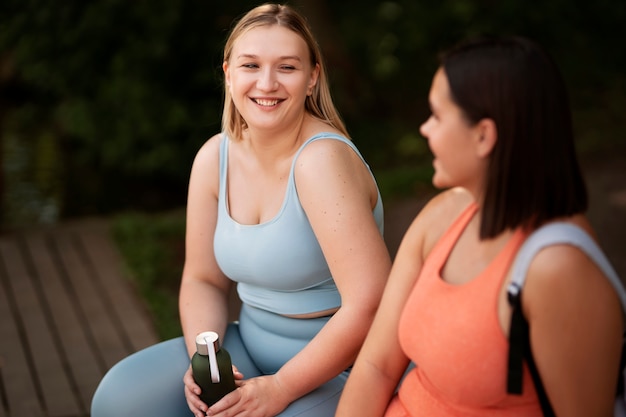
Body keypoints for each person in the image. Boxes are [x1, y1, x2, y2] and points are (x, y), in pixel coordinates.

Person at [90, 4, 391, 417]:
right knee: (120, 399)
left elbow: (370, 303)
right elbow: (203, 279)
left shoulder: (321, 161)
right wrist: (207, 361)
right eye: (251, 65)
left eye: (286, 67)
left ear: (312, 77)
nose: (266, 83)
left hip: (341, 368)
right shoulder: (215, 158)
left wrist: (281, 388)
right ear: (229, 73)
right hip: (247, 349)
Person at [335, 36, 624, 417]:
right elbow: (375, 367)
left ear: (484, 135)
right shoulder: (442, 215)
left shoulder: (558, 269)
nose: (424, 129)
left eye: (436, 116)